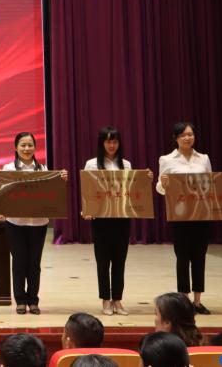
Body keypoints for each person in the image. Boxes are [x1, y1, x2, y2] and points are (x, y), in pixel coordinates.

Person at [83, 126, 150, 316]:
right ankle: (105, 299)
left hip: (121, 218)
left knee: (120, 261)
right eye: (108, 141)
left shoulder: (126, 164)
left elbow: (132, 190)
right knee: (103, 261)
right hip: (101, 219)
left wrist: (145, 179)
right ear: (101, 143)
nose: (111, 145)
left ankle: (117, 300)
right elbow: (87, 191)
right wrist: (87, 210)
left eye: (114, 141)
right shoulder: (92, 164)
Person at [0, 131, 67, 315]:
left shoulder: (43, 169)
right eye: (23, 145)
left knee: (34, 263)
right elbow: (3, 193)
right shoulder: (8, 169)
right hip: (15, 222)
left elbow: (52, 193)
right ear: (16, 148)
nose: (27, 148)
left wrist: (60, 179)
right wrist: (2, 209)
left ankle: (33, 300)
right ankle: (20, 301)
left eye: (30, 145)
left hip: (38, 223)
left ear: (35, 147)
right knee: (19, 262)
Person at [156, 121, 214, 314]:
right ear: (176, 138)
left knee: (199, 257)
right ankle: (183, 299)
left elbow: (211, 184)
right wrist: (163, 183)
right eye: (183, 135)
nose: (187, 138)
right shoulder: (166, 159)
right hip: (179, 215)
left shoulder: (203, 159)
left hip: (201, 214)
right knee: (182, 258)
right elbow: (160, 189)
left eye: (190, 134)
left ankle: (197, 301)